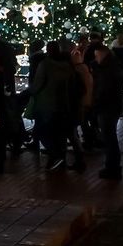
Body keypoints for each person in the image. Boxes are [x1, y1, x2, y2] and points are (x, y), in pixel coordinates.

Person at [29, 41, 74, 171]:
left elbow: (37, 84)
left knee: (42, 131)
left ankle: (55, 155)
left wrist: (29, 93)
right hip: (63, 103)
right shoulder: (66, 65)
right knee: (60, 134)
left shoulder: (45, 65)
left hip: (46, 103)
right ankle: (60, 158)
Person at [92, 43, 123, 180]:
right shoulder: (114, 66)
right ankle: (113, 166)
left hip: (107, 107)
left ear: (102, 55)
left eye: (96, 56)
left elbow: (103, 90)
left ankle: (112, 167)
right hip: (114, 105)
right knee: (110, 137)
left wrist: (96, 104)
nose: (95, 58)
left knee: (109, 137)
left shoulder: (107, 70)